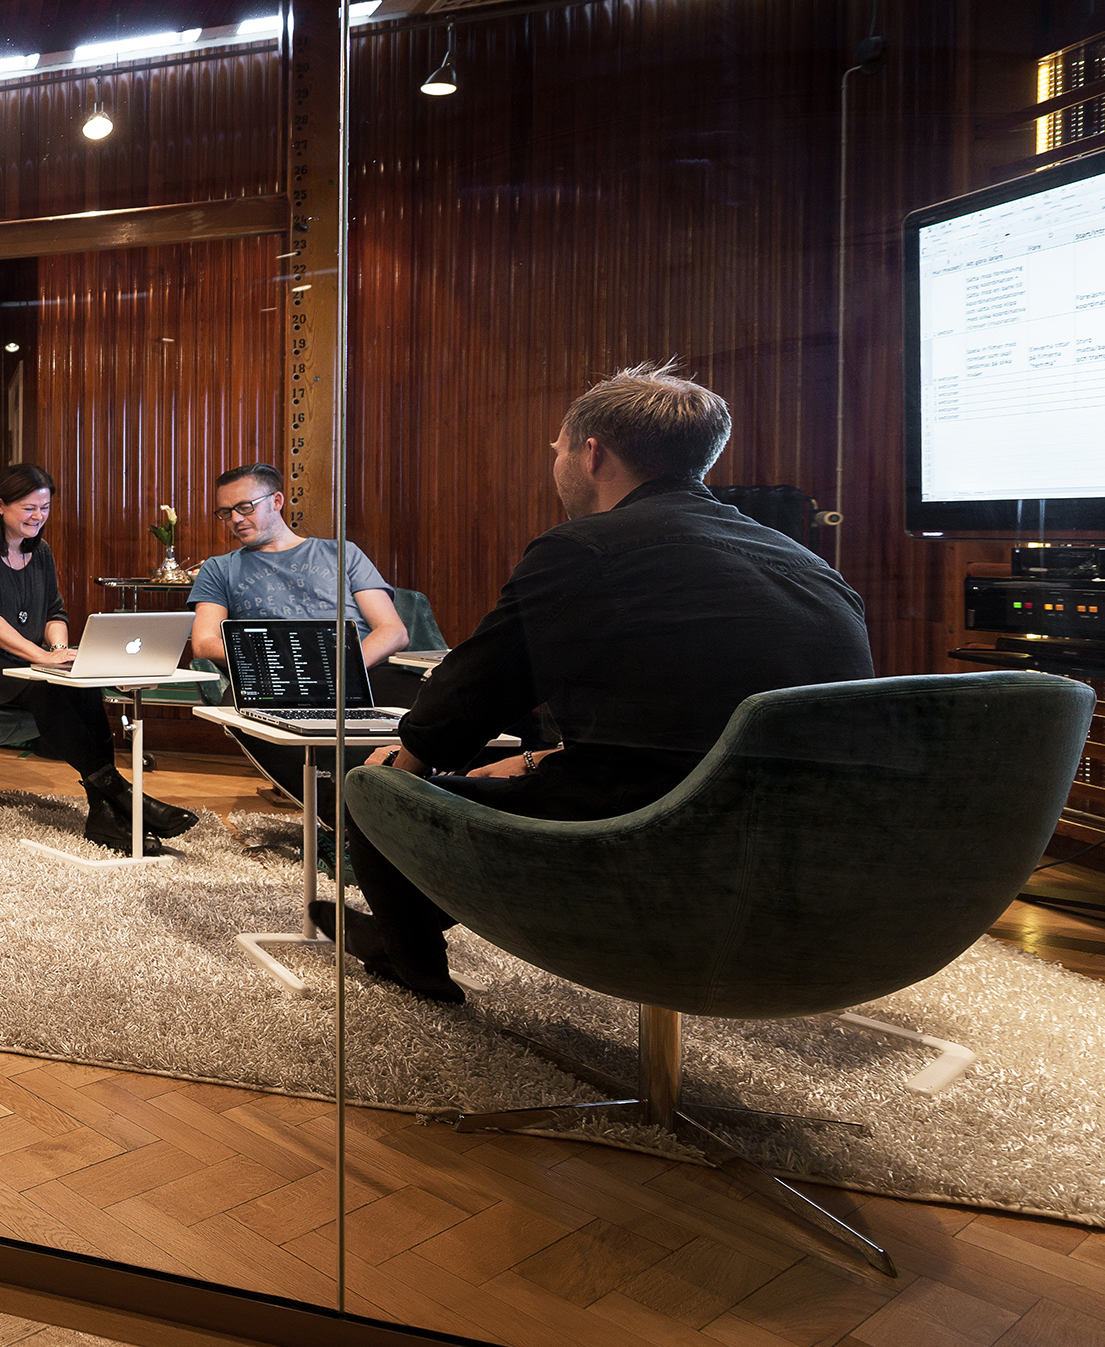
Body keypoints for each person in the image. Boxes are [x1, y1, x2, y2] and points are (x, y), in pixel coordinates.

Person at [331, 363, 873, 1003]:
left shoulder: (583, 549)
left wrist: (409, 758)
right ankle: (400, 928)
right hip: (818, 859)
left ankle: (412, 962)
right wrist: (538, 759)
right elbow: (710, 713)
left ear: (591, 455)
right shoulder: (805, 562)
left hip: (655, 842)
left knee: (372, 791)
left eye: (556, 449)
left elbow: (474, 690)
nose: (555, 463)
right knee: (510, 777)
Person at [0, 464, 199, 848]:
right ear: (0, 506)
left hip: (16, 657)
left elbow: (54, 613)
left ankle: (104, 815)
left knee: (82, 685)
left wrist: (58, 652)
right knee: (44, 689)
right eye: (28, 508)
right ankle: (126, 797)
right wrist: (40, 657)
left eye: (45, 508)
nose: (38, 516)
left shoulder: (41, 552)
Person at [186, 462, 413, 802]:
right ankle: (338, 814)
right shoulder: (220, 569)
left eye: (245, 507)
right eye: (225, 512)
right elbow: (204, 644)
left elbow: (393, 630)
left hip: (361, 673)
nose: (235, 519)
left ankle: (421, 792)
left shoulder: (342, 553)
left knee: (436, 701)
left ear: (276, 501)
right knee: (237, 709)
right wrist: (280, 664)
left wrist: (337, 671)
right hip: (273, 681)